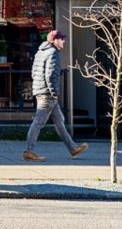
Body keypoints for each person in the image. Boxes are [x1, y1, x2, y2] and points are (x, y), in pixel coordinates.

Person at [23, 29, 87, 162]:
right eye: (61, 39)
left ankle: (72, 148)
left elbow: (33, 73)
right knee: (38, 122)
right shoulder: (53, 53)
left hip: (41, 90)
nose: (63, 41)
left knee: (59, 121)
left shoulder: (40, 52)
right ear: (55, 40)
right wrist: (54, 93)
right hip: (47, 94)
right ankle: (29, 151)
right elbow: (51, 75)